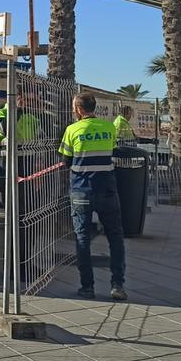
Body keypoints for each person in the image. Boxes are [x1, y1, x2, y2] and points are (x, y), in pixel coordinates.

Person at [59, 93, 127, 301]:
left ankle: (87, 286)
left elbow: (66, 160)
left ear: (78, 110)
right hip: (106, 188)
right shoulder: (109, 128)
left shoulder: (72, 130)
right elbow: (112, 151)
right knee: (115, 236)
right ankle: (117, 285)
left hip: (81, 189)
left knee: (82, 238)